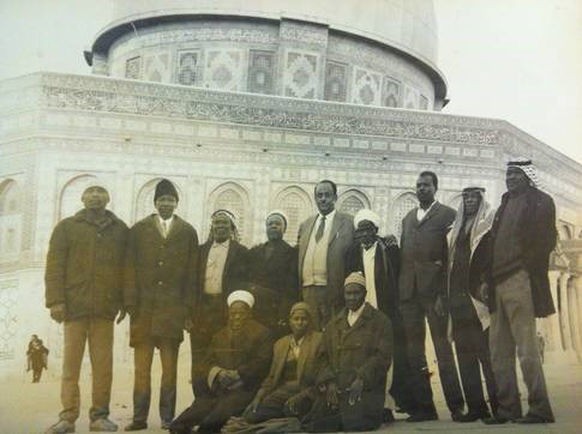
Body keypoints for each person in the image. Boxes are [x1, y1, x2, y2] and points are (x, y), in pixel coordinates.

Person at [45, 185, 128, 433]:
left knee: (103, 366)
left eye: (100, 192)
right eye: (90, 193)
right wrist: (56, 301)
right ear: (82, 199)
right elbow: (54, 266)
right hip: (74, 309)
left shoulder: (120, 230)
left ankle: (99, 417)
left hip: (104, 310)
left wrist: (123, 301)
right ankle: (68, 418)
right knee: (71, 366)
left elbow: (126, 269)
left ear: (108, 198)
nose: (95, 196)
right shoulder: (66, 228)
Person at [483, 158, 556, 425]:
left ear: (527, 176)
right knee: (498, 350)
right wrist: (486, 279)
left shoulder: (540, 201)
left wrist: (525, 268)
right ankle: (507, 409)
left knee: (526, 349)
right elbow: (493, 243)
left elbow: (547, 239)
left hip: (519, 279)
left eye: (515, 174)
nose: (510, 178)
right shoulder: (504, 204)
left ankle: (540, 408)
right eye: (507, 174)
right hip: (498, 282)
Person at [123, 179, 199, 431]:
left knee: (169, 371)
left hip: (172, 314)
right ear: (155, 203)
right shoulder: (139, 230)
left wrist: (187, 310)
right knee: (142, 370)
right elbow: (129, 269)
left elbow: (192, 274)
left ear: (176, 203)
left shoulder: (187, 232)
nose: (166, 204)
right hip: (144, 313)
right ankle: (139, 418)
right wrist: (131, 304)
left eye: (170, 200)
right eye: (162, 200)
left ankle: (168, 417)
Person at [398, 171, 465, 422]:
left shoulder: (447, 215)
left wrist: (442, 295)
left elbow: (450, 258)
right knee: (415, 353)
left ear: (435, 188)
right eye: (418, 185)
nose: (421, 189)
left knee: (443, 349)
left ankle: (456, 406)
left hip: (434, 294)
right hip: (410, 295)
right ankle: (425, 407)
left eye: (426, 185)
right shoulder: (407, 218)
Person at [345, 209, 417, 420]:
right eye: (361, 231)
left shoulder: (389, 251)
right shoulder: (353, 253)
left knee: (386, 359)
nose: (364, 235)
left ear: (376, 231)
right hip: (362, 314)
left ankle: (387, 405)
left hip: (386, 313)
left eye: (369, 230)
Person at [170, 290, 273, 434]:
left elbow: (262, 362)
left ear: (249, 314)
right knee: (179, 425)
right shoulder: (220, 335)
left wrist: (239, 374)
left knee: (209, 425)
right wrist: (219, 373)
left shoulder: (262, 334)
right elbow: (208, 361)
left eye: (241, 314)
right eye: (233, 314)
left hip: (245, 389)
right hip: (219, 389)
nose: (236, 318)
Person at [302, 272, 393, 432]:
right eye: (348, 293)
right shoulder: (334, 324)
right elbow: (322, 357)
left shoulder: (380, 321)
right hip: (335, 390)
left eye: (356, 293)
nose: (351, 298)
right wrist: (329, 381)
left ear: (364, 294)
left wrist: (362, 378)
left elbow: (382, 357)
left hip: (364, 390)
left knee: (355, 424)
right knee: (310, 422)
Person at [446, 187, 498, 422]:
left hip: (477, 300)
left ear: (480, 200)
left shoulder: (487, 228)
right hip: (456, 301)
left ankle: (500, 406)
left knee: (487, 355)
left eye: (473, 197)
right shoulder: (453, 231)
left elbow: (491, 261)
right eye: (465, 197)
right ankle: (477, 408)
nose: (468, 201)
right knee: (464, 356)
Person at [190, 209, 249, 390]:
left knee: (223, 355)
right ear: (212, 227)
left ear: (231, 228)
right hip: (202, 311)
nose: (220, 227)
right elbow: (191, 283)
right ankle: (199, 399)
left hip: (225, 311)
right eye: (217, 223)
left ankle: (219, 400)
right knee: (199, 356)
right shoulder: (200, 251)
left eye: (224, 223)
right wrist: (190, 314)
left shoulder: (241, 252)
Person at [242, 302, 322, 424]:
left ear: (309, 321)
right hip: (283, 391)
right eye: (296, 319)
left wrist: (303, 395)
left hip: (307, 392)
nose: (300, 323)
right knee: (252, 416)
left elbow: (321, 376)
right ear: (290, 321)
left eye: (304, 319)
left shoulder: (318, 340)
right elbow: (272, 377)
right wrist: (258, 397)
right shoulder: (280, 344)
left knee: (294, 413)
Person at [297, 180, 354, 330]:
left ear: (335, 197)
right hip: (308, 289)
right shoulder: (306, 225)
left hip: (333, 290)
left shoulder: (348, 222)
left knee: (333, 333)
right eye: (319, 195)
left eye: (327, 195)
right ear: (315, 198)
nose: (323, 199)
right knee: (311, 334)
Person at [248, 211, 298, 337]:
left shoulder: (291, 253)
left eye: (277, 224)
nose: (273, 226)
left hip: (277, 309)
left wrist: (284, 313)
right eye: (270, 224)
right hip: (257, 307)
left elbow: (291, 287)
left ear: (284, 229)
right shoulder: (256, 251)